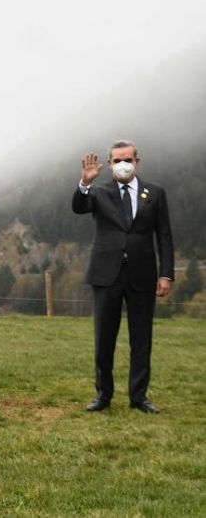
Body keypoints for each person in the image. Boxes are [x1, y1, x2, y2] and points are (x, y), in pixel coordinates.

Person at [74, 140, 174, 414]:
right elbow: (79, 207)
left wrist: (166, 273)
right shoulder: (99, 191)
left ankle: (139, 397)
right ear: (109, 163)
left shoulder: (155, 193)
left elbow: (163, 235)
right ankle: (103, 395)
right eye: (117, 160)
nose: (122, 165)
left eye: (127, 159)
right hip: (106, 274)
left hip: (143, 275)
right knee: (104, 338)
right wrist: (84, 183)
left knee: (141, 339)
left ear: (137, 161)